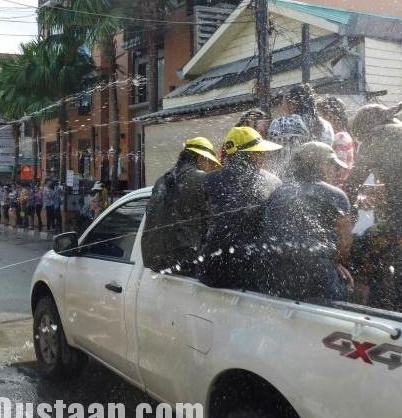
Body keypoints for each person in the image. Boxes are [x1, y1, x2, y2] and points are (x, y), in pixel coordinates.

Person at [345, 103, 402, 313]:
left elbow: (351, 186)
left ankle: (365, 311)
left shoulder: (375, 138)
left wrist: (339, 211)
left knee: (357, 252)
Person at [256, 142, 354, 302]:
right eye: (334, 167)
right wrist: (336, 265)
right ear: (322, 165)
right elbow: (344, 244)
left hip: (273, 275)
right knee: (347, 287)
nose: (336, 172)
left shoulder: (280, 191)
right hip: (316, 275)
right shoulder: (336, 195)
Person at [199, 127, 282, 289]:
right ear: (252, 154)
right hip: (250, 272)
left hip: (211, 270)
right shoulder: (273, 182)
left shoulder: (209, 180)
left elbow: (203, 222)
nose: (264, 156)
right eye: (261, 152)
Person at [142, 137, 221, 273]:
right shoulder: (201, 179)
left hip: (155, 261)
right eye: (211, 164)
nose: (212, 169)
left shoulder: (162, 180)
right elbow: (214, 221)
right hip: (184, 263)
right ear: (201, 159)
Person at [268, 84, 334, 177]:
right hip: (319, 179)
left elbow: (270, 153)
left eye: (283, 103)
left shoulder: (280, 123)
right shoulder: (327, 126)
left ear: (293, 104)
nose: (282, 107)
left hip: (287, 179)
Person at [317, 96, 355, 183]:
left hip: (336, 185)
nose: (318, 120)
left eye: (320, 115)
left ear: (329, 116)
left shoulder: (340, 137)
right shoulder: (341, 135)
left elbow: (340, 169)